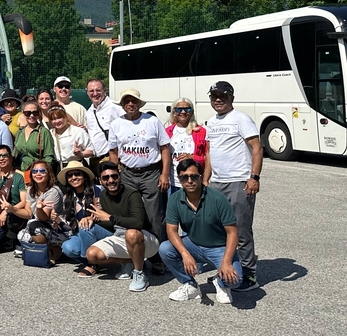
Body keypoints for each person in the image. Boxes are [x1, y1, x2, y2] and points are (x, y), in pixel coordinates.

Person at [203, 80, 263, 292]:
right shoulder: (211, 122)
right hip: (217, 182)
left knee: (241, 229)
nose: (218, 100)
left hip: (239, 181)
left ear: (231, 97)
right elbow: (210, 152)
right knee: (219, 229)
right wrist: (205, 178)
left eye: (223, 96)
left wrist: (254, 177)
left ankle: (249, 274)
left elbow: (256, 148)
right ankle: (226, 267)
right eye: (214, 96)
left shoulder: (241, 119)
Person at [160, 159, 242, 304]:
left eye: (194, 176)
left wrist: (226, 261)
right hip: (193, 244)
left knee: (235, 280)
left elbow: (233, 232)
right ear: (179, 179)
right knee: (165, 249)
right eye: (184, 177)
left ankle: (219, 282)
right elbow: (171, 230)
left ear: (201, 176)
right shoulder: (174, 199)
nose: (189, 181)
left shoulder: (217, 199)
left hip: (219, 247)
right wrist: (185, 254)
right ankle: (190, 285)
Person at [107, 88, 171, 273]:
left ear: (139, 103)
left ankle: (159, 257)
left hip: (150, 172)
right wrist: (114, 174)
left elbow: (165, 148)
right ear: (123, 104)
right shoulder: (117, 124)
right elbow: (113, 152)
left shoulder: (151, 121)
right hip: (127, 172)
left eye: (133, 100)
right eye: (126, 101)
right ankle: (132, 256)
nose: (130, 104)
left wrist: (164, 173)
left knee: (155, 216)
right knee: (130, 215)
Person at [84, 159, 160, 292]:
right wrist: (93, 219)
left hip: (145, 240)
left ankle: (139, 273)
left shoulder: (132, 194)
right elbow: (111, 223)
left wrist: (110, 218)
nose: (111, 180)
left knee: (131, 233)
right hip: (120, 237)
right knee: (91, 255)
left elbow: (138, 223)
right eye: (106, 177)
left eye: (114, 176)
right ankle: (128, 261)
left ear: (120, 177)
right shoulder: (103, 195)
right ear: (100, 180)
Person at [58, 161, 106, 273]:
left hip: (102, 230)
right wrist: (57, 220)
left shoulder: (99, 190)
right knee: (67, 247)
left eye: (77, 174)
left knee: (85, 227)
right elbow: (71, 225)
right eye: (70, 175)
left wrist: (91, 217)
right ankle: (93, 261)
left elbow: (106, 211)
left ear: (84, 176)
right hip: (82, 233)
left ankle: (92, 264)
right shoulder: (67, 198)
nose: (74, 177)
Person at [18, 159, 68, 264]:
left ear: (49, 173)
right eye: (35, 171)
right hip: (40, 224)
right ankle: (45, 250)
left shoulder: (53, 191)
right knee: (22, 235)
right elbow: (28, 213)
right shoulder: (31, 189)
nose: (38, 174)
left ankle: (52, 253)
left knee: (34, 228)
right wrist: (11, 209)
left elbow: (43, 217)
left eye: (42, 171)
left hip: (57, 227)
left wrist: (39, 208)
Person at [165, 97, 207, 194]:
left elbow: (208, 158)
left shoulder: (201, 132)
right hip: (173, 182)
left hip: (193, 181)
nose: (183, 112)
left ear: (191, 112)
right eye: (179, 109)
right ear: (174, 112)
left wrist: (192, 157)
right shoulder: (168, 132)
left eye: (187, 109)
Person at [84, 78, 123, 174]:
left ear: (104, 91)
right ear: (87, 93)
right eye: (91, 91)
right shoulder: (89, 113)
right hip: (94, 160)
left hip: (110, 157)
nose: (95, 93)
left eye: (98, 90)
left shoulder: (115, 107)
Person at [13, 97, 55, 172]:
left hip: (38, 173)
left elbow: (49, 157)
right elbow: (15, 153)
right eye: (28, 113)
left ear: (38, 114)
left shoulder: (44, 132)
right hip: (22, 172)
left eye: (35, 113)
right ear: (23, 113)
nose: (31, 115)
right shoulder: (20, 132)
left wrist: (43, 172)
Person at [48, 105, 93, 172]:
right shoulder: (50, 133)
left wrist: (81, 154)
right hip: (59, 167)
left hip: (76, 166)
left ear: (65, 117)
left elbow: (91, 150)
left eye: (59, 118)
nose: (57, 121)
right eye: (53, 119)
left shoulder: (77, 131)